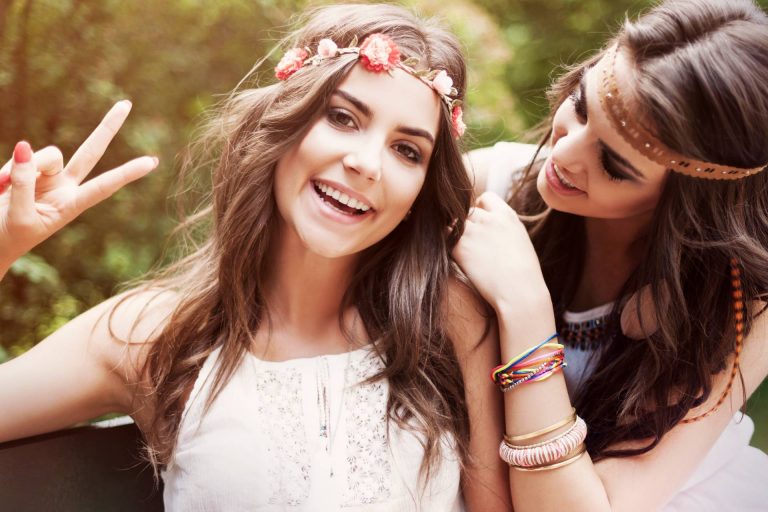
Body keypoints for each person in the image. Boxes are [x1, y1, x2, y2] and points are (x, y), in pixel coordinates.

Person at [0, 4, 511, 510]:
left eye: (407, 150)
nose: (366, 164)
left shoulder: (449, 319)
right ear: (282, 125)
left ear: (420, 192)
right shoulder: (150, 335)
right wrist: (5, 243)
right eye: (342, 117)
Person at [457, 0, 768, 509]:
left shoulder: (739, 301)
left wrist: (526, 309)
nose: (562, 155)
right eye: (580, 106)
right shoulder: (499, 186)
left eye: (614, 165)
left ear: (686, 202)